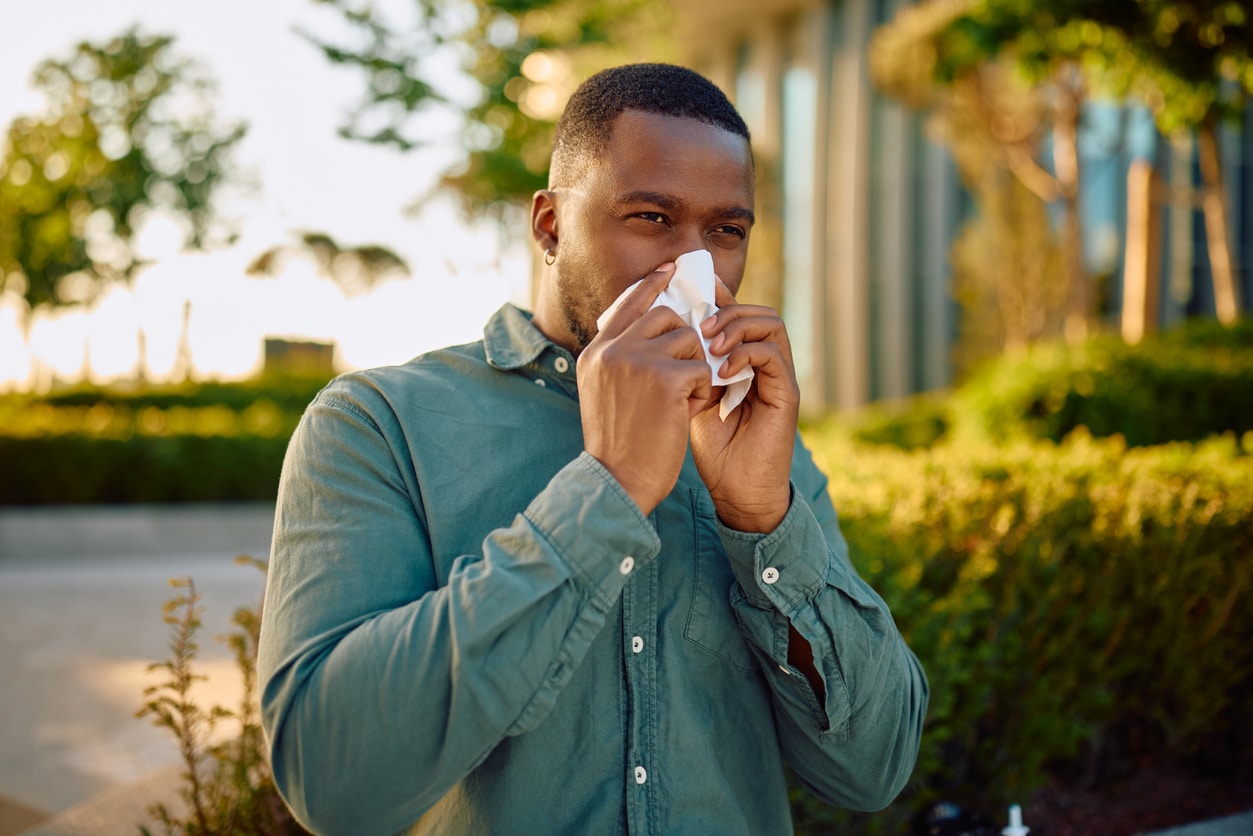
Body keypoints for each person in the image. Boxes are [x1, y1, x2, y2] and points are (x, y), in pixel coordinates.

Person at [258, 62, 928, 835]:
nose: (693, 268)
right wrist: (605, 491)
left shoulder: (759, 446)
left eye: (725, 230)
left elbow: (874, 771)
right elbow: (329, 781)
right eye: (649, 217)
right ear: (549, 226)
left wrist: (761, 519)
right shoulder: (377, 424)